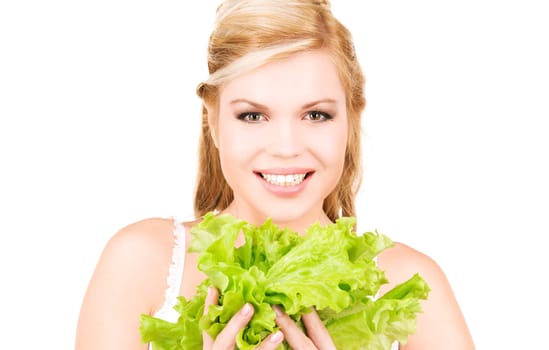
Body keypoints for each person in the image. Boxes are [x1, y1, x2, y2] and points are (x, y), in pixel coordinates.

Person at [75, 0, 475, 349]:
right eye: (253, 115)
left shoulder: (410, 283)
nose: (286, 147)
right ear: (213, 121)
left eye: (316, 114)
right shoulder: (142, 261)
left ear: (350, 120)